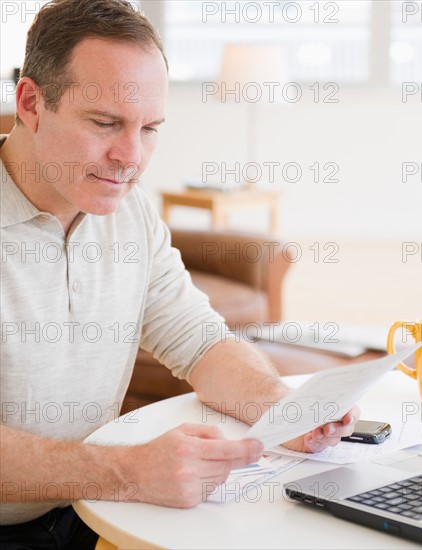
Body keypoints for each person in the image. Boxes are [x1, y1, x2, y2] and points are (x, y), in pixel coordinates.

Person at [0, 0, 359, 547]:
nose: (131, 157)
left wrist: (283, 408)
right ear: (31, 102)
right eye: (105, 123)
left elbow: (200, 343)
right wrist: (128, 471)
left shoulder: (130, 212)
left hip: (84, 511)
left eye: (149, 129)